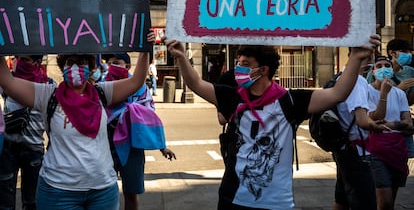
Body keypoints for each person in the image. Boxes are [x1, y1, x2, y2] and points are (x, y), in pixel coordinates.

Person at [165, 34, 380, 210]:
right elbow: (195, 83)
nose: (239, 70)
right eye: (239, 64)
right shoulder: (234, 98)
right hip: (232, 198)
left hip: (276, 202)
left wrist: (356, 57)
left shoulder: (290, 101)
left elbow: (338, 93)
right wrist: (181, 57)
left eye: (246, 64)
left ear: (263, 69)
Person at [0, 31, 155, 209]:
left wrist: (145, 50)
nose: (75, 67)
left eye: (81, 63)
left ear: (91, 67)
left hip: (102, 191)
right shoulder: (47, 94)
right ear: (62, 66)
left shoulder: (102, 92)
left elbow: (136, 81)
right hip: (58, 191)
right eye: (70, 62)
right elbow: (8, 82)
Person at [102, 53, 176, 210]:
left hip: (132, 147)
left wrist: (162, 146)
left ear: (127, 66)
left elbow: (149, 117)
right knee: (105, 192)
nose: (111, 66)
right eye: (109, 63)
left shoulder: (141, 88)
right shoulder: (102, 86)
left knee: (131, 193)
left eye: (116, 62)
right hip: (105, 146)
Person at [332, 51, 388, 210]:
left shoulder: (340, 76)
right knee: (364, 201)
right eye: (367, 53)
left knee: (342, 198)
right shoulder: (357, 81)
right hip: (357, 152)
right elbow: (363, 121)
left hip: (342, 147)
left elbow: (370, 115)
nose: (370, 57)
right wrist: (376, 127)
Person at [0, 55, 52, 210]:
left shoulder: (48, 85)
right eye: (18, 58)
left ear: (36, 62)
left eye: (25, 59)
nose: (19, 62)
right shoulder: (9, 83)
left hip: (34, 149)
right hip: (8, 149)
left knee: (31, 201)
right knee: (5, 202)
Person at [367, 55, 413, 210]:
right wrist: (384, 94)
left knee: (390, 201)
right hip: (375, 149)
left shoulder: (399, 94)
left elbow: (408, 123)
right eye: (378, 66)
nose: (383, 69)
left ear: (392, 70)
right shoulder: (366, 91)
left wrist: (391, 124)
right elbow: (375, 117)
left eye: (387, 65)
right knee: (384, 201)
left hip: (397, 148)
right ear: (373, 72)